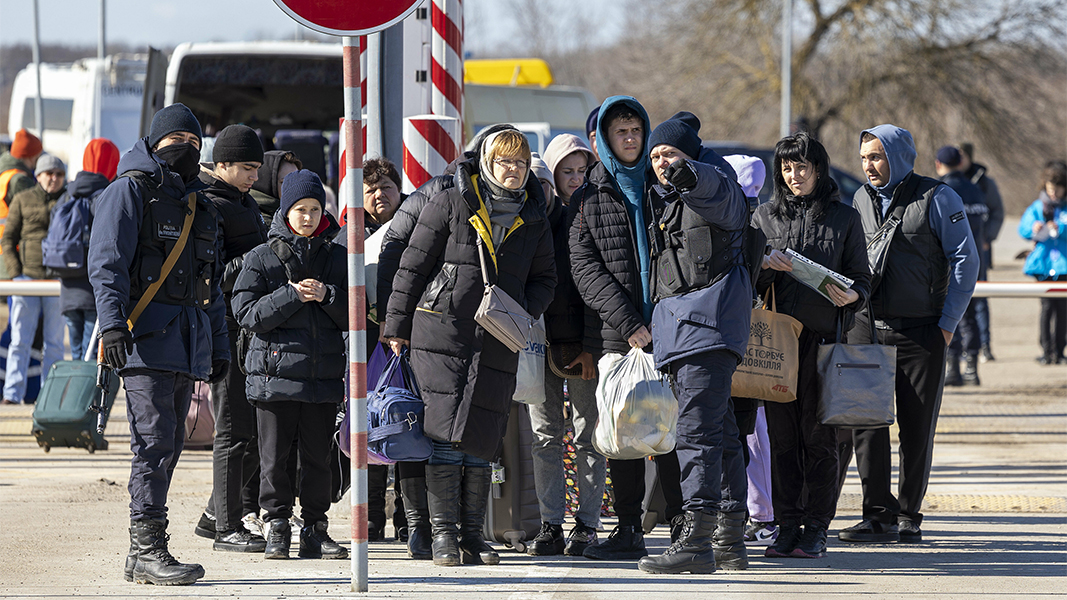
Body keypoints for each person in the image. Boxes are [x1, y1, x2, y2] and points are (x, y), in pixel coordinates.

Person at [383, 127, 556, 567]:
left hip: (498, 337)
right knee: (443, 433)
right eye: (504, 161)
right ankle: (443, 535)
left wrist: (517, 310)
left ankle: (473, 535)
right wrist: (396, 328)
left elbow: (546, 280)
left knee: (482, 437)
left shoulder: (534, 215)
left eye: (520, 162)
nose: (513, 170)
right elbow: (412, 265)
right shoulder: (451, 200)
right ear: (486, 163)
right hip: (441, 332)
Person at [89, 103, 229, 585]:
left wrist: (219, 349)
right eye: (177, 141)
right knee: (152, 443)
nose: (186, 150)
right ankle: (146, 548)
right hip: (143, 342)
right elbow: (106, 265)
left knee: (168, 444)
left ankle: (142, 549)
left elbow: (208, 287)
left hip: (186, 346)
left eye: (194, 143)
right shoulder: (128, 192)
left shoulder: (199, 204)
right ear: (154, 142)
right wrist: (111, 327)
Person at [839, 124, 978, 545]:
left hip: (922, 331)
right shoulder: (860, 198)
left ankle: (908, 516)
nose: (869, 166)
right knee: (866, 425)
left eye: (876, 156)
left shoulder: (938, 197)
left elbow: (965, 261)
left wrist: (948, 324)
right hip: (866, 327)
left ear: (898, 156)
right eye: (864, 158)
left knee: (916, 430)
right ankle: (876, 515)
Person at [632, 112, 752, 575]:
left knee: (696, 436)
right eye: (658, 155)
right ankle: (729, 540)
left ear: (693, 154)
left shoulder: (715, 182)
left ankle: (697, 543)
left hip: (708, 330)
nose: (664, 163)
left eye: (672, 154)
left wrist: (691, 173)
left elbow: (719, 196)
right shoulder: (662, 200)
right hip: (685, 335)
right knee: (720, 434)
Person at [570, 97, 684, 562]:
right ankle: (630, 528)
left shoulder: (665, 188)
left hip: (672, 328)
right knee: (625, 428)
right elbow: (584, 268)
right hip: (618, 335)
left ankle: (682, 524)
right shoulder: (588, 197)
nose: (631, 138)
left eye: (637, 129)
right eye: (621, 131)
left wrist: (665, 317)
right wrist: (630, 323)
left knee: (671, 430)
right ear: (605, 139)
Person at [751, 132, 871, 559]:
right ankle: (786, 525)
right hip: (776, 344)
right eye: (786, 167)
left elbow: (863, 279)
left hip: (823, 343)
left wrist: (854, 294)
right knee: (781, 441)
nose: (794, 174)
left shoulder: (844, 218)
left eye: (802, 166)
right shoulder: (764, 216)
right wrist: (764, 266)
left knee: (820, 439)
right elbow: (745, 279)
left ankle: (816, 527)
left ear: (819, 170)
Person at [231, 169, 349, 561]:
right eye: (301, 209)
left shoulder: (337, 257)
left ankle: (316, 528)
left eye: (315, 209)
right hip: (274, 379)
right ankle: (277, 526)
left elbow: (358, 315)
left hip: (322, 378)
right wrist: (291, 296)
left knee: (319, 460)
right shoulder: (261, 257)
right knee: (275, 458)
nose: (309, 217)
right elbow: (245, 312)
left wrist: (329, 295)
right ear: (286, 210)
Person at [190, 124, 269, 553]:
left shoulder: (241, 201)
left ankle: (213, 515)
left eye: (257, 167)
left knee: (257, 430)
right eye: (246, 167)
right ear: (220, 164)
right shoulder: (208, 205)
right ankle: (226, 528)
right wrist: (261, 259)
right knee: (234, 431)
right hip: (227, 331)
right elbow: (211, 278)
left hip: (252, 329)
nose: (254, 176)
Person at [526, 134, 605, 557]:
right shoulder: (537, 218)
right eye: (566, 172)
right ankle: (550, 524)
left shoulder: (596, 212)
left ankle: (587, 525)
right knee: (545, 435)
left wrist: (592, 346)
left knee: (589, 435)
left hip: (581, 346)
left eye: (582, 170)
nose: (575, 179)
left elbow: (598, 290)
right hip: (537, 346)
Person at [722, 154, 778, 548]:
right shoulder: (758, 221)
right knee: (751, 436)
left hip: (744, 345)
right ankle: (755, 511)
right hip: (745, 345)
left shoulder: (745, 226)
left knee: (749, 436)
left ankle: (756, 512)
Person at [1, 153, 67, 404]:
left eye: (59, 174)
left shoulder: (69, 200)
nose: (54, 178)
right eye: (49, 173)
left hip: (57, 281)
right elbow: (8, 239)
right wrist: (16, 274)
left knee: (54, 344)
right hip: (27, 279)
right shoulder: (22, 199)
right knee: (20, 340)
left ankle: (50, 398)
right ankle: (12, 394)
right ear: (38, 175)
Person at [50, 139, 120, 363]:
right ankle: (85, 398)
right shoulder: (109, 196)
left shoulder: (66, 195)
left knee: (77, 353)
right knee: (91, 356)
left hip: (67, 287)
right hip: (94, 290)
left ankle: (75, 395)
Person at [934, 146, 987, 386]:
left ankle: (953, 368)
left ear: (938, 164)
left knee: (951, 314)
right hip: (977, 262)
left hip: (949, 264)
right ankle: (972, 370)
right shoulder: (974, 188)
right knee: (973, 315)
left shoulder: (941, 191)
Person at [959, 143, 1004, 362]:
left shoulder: (984, 182)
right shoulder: (948, 183)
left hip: (979, 249)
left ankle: (985, 345)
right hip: (955, 252)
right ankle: (959, 349)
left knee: (980, 300)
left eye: (961, 156)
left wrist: (988, 237)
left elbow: (997, 211)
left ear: (969, 157)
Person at [1019, 161, 1067, 365]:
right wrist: (1033, 228)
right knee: (1046, 308)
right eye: (1050, 189)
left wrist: (1061, 229)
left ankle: (1060, 349)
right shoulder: (1037, 207)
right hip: (1043, 267)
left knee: (1063, 310)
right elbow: (1023, 228)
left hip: (1064, 265)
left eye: (1058, 188)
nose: (1054, 193)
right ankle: (1046, 350)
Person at [0, 129, 44, 280]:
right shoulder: (20, 180)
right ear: (31, 156)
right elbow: (33, 212)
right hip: (14, 252)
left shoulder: (4, 174)